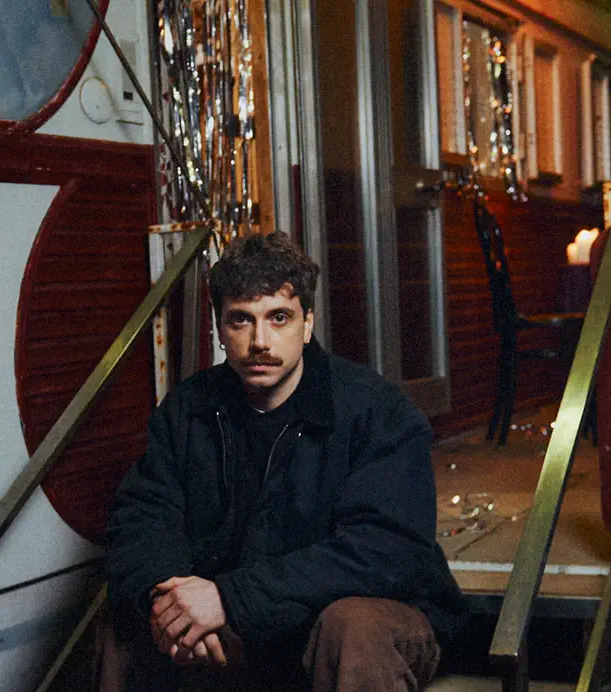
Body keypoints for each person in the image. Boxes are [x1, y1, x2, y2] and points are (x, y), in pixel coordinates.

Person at [105, 231, 467, 692]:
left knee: (352, 625)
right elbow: (143, 516)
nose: (260, 341)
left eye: (279, 318)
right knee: (127, 621)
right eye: (241, 320)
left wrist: (229, 598)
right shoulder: (189, 409)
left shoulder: (375, 412)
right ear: (220, 328)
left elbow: (387, 551)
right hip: (242, 625)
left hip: (360, 621)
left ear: (307, 323)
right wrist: (169, 600)